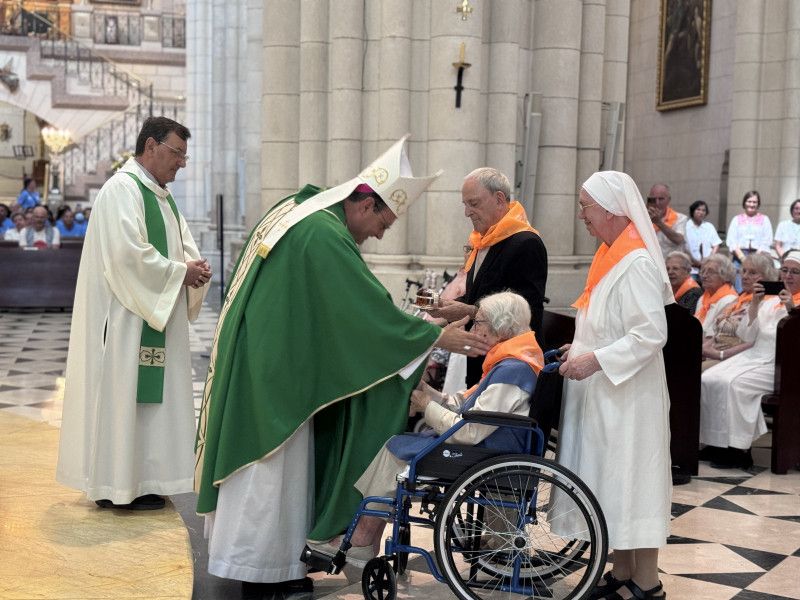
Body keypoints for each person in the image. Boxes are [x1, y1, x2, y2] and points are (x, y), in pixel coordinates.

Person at [194, 136, 490, 595]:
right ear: (364, 202)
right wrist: (433, 335)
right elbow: (363, 312)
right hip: (280, 377)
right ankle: (262, 575)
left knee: (276, 477)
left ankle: (272, 568)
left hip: (270, 360)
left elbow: (346, 308)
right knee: (272, 473)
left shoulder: (303, 211)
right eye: (383, 223)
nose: (379, 235)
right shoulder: (324, 234)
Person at [312, 291, 544, 561]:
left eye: (479, 321)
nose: (474, 327)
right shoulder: (511, 357)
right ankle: (367, 538)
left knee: (395, 450)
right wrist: (428, 393)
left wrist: (426, 407)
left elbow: (468, 431)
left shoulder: (512, 369)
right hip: (486, 446)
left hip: (485, 452)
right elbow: (463, 403)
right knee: (399, 445)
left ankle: (364, 538)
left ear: (501, 327)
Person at [56, 116, 211, 511]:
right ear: (151, 147)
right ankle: (114, 485)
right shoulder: (121, 191)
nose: (180, 163)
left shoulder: (162, 197)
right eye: (176, 153)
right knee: (123, 398)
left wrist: (195, 267)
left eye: (184, 156)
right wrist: (180, 272)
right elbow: (127, 256)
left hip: (154, 315)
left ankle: (142, 479)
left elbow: (181, 246)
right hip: (127, 321)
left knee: (148, 407)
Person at [557, 171, 672, 600]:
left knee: (633, 481)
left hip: (629, 395)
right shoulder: (610, 255)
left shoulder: (637, 262)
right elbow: (608, 323)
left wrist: (596, 358)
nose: (581, 214)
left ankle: (647, 582)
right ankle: (622, 571)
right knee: (614, 482)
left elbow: (649, 334)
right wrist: (581, 345)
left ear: (610, 209)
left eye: (585, 205)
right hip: (607, 392)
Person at [427, 167, 548, 386]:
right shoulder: (484, 240)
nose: (467, 212)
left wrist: (469, 310)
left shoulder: (526, 243)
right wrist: (447, 306)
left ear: (499, 199)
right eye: (465, 205)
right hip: (481, 358)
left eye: (473, 204)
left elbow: (524, 313)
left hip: (509, 367)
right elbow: (482, 295)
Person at [699, 251, 800, 469]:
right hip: (753, 355)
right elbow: (747, 335)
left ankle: (739, 450)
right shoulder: (770, 300)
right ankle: (716, 443)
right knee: (709, 378)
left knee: (733, 384)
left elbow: (795, 339)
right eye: (785, 270)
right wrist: (755, 303)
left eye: (795, 272)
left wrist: (792, 308)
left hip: (782, 365)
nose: (788, 276)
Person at [699, 253, 777, 372]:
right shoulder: (737, 300)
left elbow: (755, 342)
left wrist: (721, 354)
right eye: (744, 271)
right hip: (712, 354)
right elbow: (715, 333)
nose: (745, 276)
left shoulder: (768, 303)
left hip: (736, 359)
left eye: (752, 273)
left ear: (767, 276)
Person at [726, 190, 773, 291]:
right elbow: (732, 241)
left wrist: (755, 258)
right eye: (749, 201)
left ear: (758, 204)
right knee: (740, 288)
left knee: (756, 288)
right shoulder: (736, 219)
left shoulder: (765, 219)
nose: (751, 204)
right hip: (739, 258)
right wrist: (743, 258)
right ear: (744, 203)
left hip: (759, 257)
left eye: (754, 202)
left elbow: (766, 240)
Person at [695, 254, 738, 336]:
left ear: (725, 275)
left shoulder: (730, 300)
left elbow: (713, 335)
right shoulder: (703, 298)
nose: (704, 276)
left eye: (710, 272)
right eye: (703, 271)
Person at [647, 182, 687, 257]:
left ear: (669, 200)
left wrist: (658, 222)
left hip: (670, 265)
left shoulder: (680, 218)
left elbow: (678, 240)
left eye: (661, 199)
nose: (657, 203)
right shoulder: (643, 219)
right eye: (653, 199)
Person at [684, 200, 721, 278]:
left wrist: (709, 260)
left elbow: (716, 245)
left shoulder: (709, 226)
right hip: (691, 268)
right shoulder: (685, 227)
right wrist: (695, 262)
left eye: (703, 210)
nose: (701, 212)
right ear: (693, 211)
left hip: (707, 268)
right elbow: (683, 247)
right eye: (698, 209)